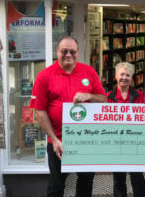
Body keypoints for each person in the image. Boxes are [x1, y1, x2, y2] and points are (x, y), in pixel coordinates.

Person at [30, 36, 107, 197]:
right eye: (64, 51)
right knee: (56, 186)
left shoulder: (89, 72)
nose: (68, 55)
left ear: (78, 53)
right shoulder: (44, 76)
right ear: (57, 52)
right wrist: (54, 139)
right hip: (58, 141)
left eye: (72, 51)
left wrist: (89, 96)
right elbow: (40, 110)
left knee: (86, 183)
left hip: (85, 140)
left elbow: (103, 98)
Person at [106, 62, 145, 197]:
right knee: (118, 178)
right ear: (115, 76)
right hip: (116, 142)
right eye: (121, 74)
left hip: (134, 141)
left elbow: (143, 117)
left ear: (131, 78)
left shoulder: (138, 95)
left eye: (127, 75)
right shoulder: (108, 97)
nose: (124, 77)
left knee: (137, 176)